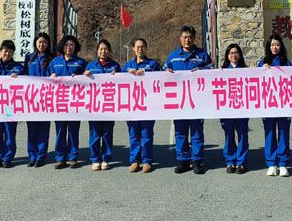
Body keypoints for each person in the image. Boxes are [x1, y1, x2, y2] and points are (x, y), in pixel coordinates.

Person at [164, 25, 212, 174]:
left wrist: (202, 71)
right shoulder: (173, 56)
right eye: (185, 37)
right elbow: (164, 71)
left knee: (197, 132)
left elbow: (212, 72)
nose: (187, 40)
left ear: (194, 38)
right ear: (180, 39)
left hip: (197, 101)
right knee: (180, 131)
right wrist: (167, 72)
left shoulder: (202, 55)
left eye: (190, 37)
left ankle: (197, 161)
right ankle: (183, 161)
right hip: (179, 101)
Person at [122, 38, 160, 173]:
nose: (140, 49)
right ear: (133, 48)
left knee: (146, 134)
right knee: (134, 134)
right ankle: (134, 160)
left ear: (146, 48)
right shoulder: (127, 66)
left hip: (148, 105)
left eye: (142, 46)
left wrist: (146, 75)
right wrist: (127, 75)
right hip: (132, 105)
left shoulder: (153, 64)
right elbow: (119, 82)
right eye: (137, 47)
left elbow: (160, 80)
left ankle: (147, 160)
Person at [49, 34, 86, 169]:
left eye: (71, 45)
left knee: (73, 130)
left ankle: (73, 157)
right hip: (59, 102)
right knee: (60, 131)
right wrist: (51, 76)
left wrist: (80, 77)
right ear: (62, 47)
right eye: (66, 45)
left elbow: (88, 79)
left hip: (75, 102)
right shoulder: (55, 62)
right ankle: (60, 158)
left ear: (75, 47)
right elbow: (46, 79)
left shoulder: (81, 62)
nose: (69, 47)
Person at [84, 39, 121, 171]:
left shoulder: (115, 66)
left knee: (107, 134)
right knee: (94, 134)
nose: (103, 51)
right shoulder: (90, 66)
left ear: (109, 51)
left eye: (105, 49)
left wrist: (117, 76)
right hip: (94, 105)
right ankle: (95, 159)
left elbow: (123, 83)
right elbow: (83, 84)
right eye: (101, 49)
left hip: (109, 105)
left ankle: (106, 158)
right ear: (97, 51)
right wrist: (84, 76)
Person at [258, 34, 292, 177]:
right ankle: (271, 163)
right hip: (268, 104)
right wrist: (262, 69)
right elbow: (256, 81)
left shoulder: (287, 63)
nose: (275, 47)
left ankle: (283, 163)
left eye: (277, 45)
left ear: (281, 47)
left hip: (284, 104)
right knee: (270, 133)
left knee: (283, 134)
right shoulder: (262, 62)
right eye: (272, 45)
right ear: (268, 46)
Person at [0, 40, 24, 169]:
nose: (7, 53)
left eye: (10, 51)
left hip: (10, 107)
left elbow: (25, 85)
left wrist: (18, 78)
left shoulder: (19, 68)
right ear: (1, 51)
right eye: (5, 51)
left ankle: (8, 158)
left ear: (13, 53)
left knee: (9, 133)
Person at [23, 32, 53, 168]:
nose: (42, 44)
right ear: (35, 43)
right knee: (32, 129)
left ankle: (41, 156)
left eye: (44, 42)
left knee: (43, 129)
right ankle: (32, 155)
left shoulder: (52, 58)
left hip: (46, 98)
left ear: (48, 44)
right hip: (31, 98)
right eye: (40, 42)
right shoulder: (29, 58)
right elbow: (24, 74)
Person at [221, 43, 250, 175]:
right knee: (229, 135)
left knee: (242, 135)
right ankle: (230, 161)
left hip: (242, 108)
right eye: (231, 53)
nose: (234, 55)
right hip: (226, 109)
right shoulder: (222, 71)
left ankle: (241, 162)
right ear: (227, 55)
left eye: (236, 52)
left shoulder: (245, 70)